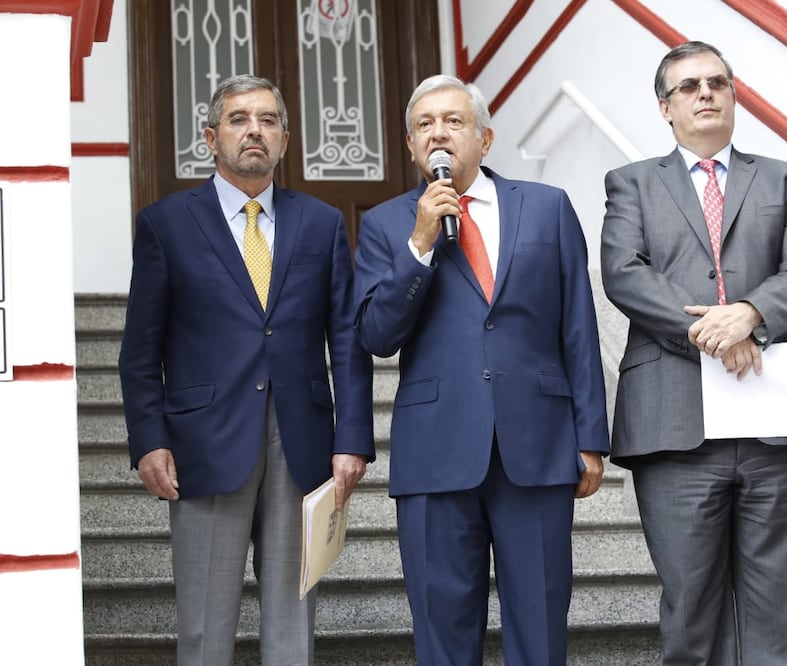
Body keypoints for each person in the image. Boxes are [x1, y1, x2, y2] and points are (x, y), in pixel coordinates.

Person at [352, 74, 610, 665]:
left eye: (454, 121)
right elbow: (375, 336)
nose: (438, 132)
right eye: (424, 125)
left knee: (541, 628)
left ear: (485, 139)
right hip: (435, 453)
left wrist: (590, 436)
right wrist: (419, 246)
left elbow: (578, 327)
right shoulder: (387, 225)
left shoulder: (547, 207)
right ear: (412, 147)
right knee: (443, 632)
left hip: (539, 445)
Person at [118, 74, 374, 665]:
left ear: (285, 138)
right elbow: (140, 350)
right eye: (238, 119)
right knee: (206, 631)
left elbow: (347, 340)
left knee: (293, 627)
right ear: (211, 138)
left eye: (267, 120)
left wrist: (353, 438)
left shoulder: (322, 223)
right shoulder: (167, 223)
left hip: (304, 445)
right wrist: (148, 440)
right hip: (203, 443)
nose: (253, 130)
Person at [600, 42, 787, 665]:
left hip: (775, 425)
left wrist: (751, 316)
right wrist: (713, 331)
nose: (706, 93)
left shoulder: (783, 179)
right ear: (665, 107)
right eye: (689, 87)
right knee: (691, 610)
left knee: (783, 611)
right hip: (673, 427)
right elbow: (625, 274)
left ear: (733, 95)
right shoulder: (630, 184)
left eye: (718, 83)